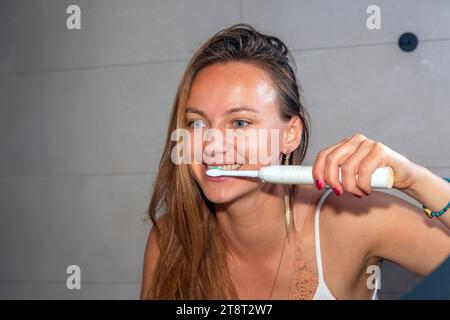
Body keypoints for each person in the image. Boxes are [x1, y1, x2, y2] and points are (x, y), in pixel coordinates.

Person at [140, 24, 450, 300]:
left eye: (240, 123)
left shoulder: (354, 220)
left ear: (291, 134)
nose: (211, 145)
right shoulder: (170, 239)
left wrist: (414, 179)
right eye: (197, 123)